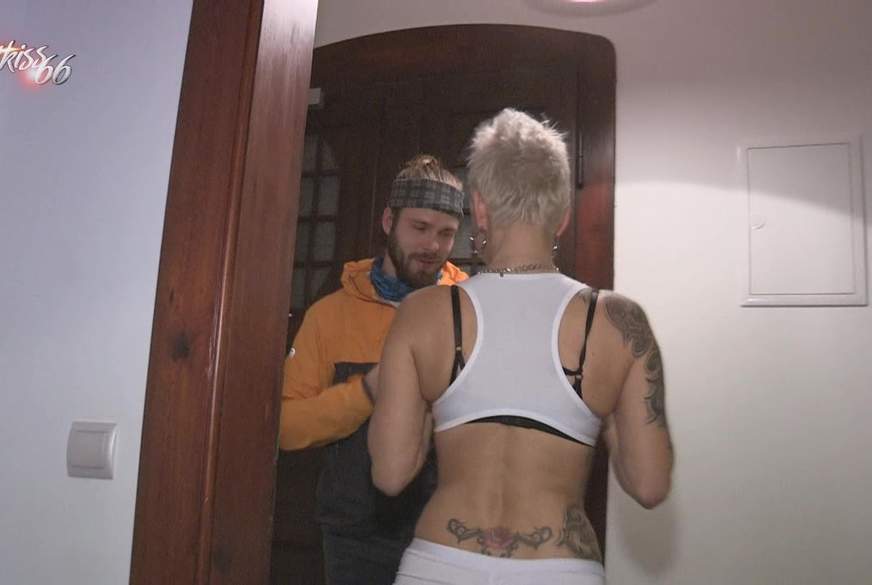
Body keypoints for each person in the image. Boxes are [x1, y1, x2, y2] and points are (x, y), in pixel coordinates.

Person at [368, 109, 674, 585]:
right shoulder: (617, 322)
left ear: (480, 208)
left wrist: (433, 405)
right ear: (563, 216)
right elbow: (650, 485)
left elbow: (390, 474)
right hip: (559, 566)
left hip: (440, 563)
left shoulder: (423, 313)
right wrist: (608, 416)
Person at [278, 154, 468, 585]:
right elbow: (287, 427)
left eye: (446, 233)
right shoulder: (330, 315)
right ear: (388, 221)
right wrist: (365, 391)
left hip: (447, 534)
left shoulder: (469, 312)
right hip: (352, 537)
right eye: (419, 228)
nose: (432, 246)